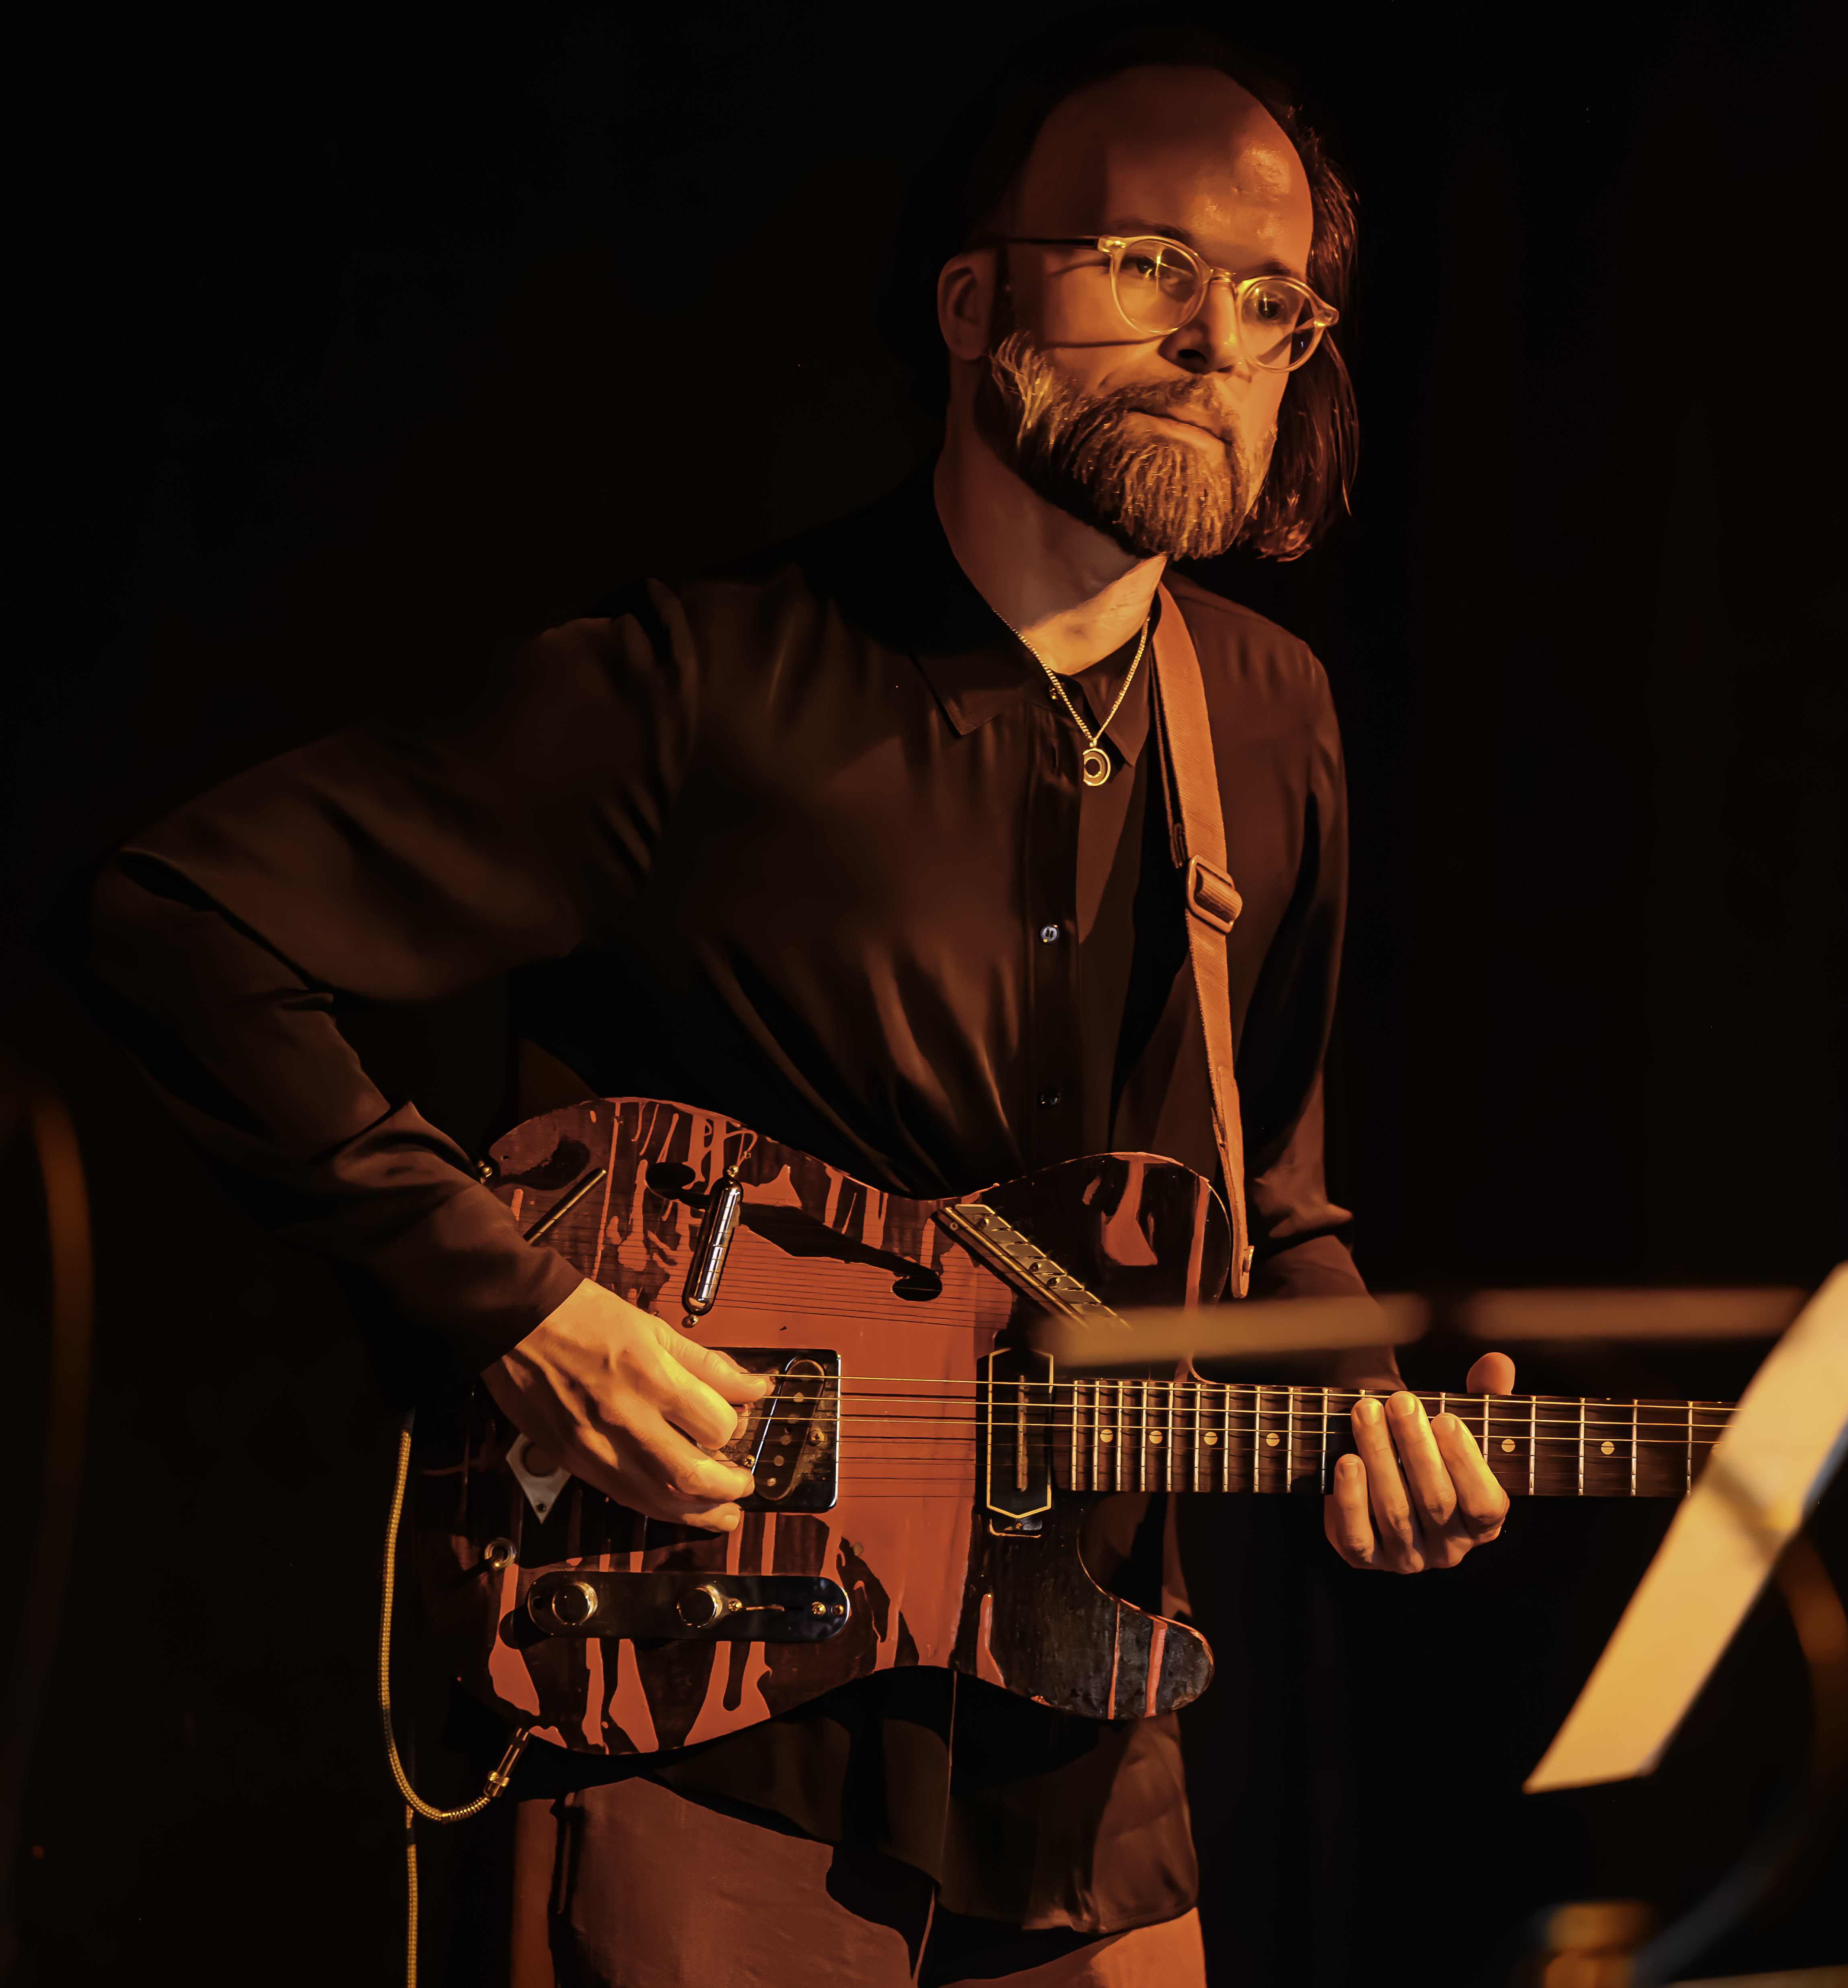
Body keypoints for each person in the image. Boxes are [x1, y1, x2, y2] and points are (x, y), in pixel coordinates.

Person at [66, 34, 1514, 1988]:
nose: (1211, 339)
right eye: (1144, 266)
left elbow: (1267, 1197)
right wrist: (515, 1304)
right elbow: (182, 920)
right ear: (973, 300)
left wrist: (1363, 1406)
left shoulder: (1269, 720)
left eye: (1266, 301)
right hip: (703, 1715)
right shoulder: (697, 689)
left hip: (1090, 1763)